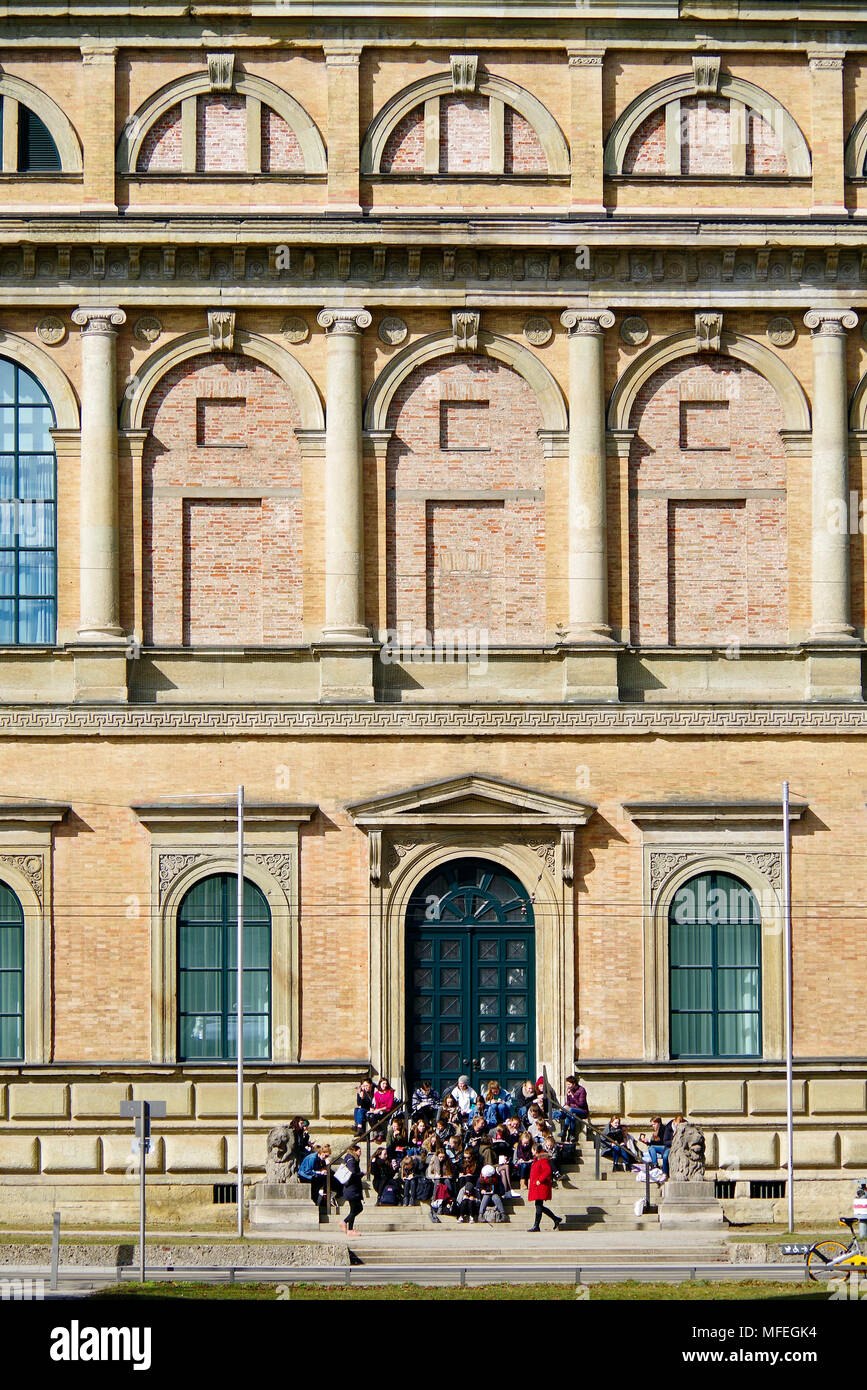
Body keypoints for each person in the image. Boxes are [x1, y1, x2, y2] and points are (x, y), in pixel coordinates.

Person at [528, 1144, 563, 1231]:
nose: (531, 1151)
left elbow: (547, 1170)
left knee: (539, 1206)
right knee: (539, 1206)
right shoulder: (538, 1159)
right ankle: (555, 1219)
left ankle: (537, 1226)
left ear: (535, 1150)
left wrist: (539, 1180)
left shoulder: (542, 1159)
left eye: (532, 1150)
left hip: (541, 1186)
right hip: (538, 1186)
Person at [339, 1144, 364, 1234]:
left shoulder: (351, 1159)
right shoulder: (351, 1160)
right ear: (355, 1151)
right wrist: (361, 1174)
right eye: (359, 1151)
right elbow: (352, 1173)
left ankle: (350, 1229)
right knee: (357, 1208)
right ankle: (344, 1222)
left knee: (354, 1209)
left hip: (352, 1188)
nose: (360, 1153)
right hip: (352, 1189)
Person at [555, 1075, 589, 1141]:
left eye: (569, 1084)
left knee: (571, 1110)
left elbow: (581, 1104)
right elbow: (568, 1102)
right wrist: (564, 1106)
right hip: (573, 1112)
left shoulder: (582, 1090)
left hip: (582, 1111)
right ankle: (571, 1134)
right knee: (572, 1115)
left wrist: (573, 1096)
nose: (568, 1086)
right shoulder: (569, 1090)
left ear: (574, 1084)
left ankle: (564, 1131)